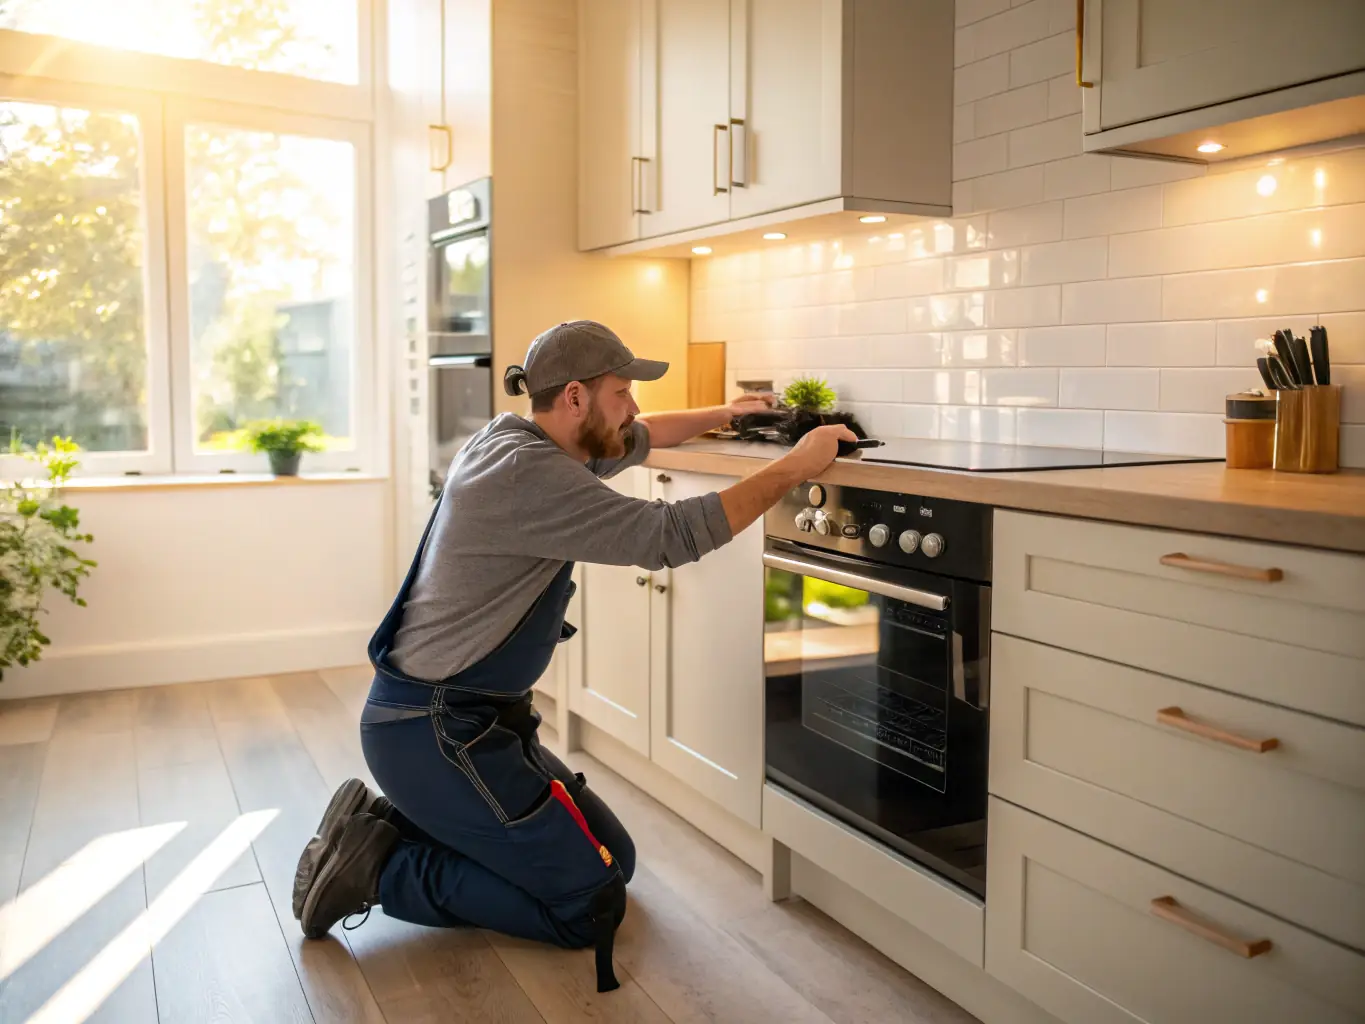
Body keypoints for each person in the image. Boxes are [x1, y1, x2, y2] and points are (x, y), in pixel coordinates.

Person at [289, 320, 856, 991]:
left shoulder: (522, 438)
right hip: (435, 733)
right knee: (588, 907)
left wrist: (724, 416)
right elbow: (668, 534)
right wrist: (797, 462)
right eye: (622, 393)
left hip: (470, 726)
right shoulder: (530, 476)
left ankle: (391, 823)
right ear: (577, 399)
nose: (634, 409)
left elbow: (647, 437)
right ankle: (381, 869)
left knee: (615, 858)